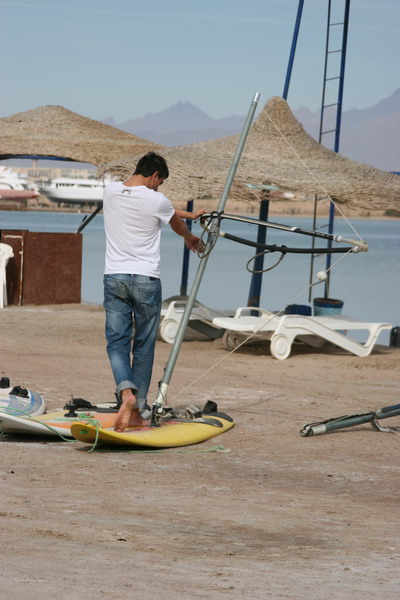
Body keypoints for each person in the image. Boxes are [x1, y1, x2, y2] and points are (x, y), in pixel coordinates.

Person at [102, 152, 205, 432]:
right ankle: (138, 409)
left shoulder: (110, 192)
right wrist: (190, 237)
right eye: (160, 183)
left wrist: (188, 213)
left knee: (117, 343)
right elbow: (173, 221)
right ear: (155, 176)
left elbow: (164, 209)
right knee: (144, 345)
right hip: (146, 280)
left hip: (115, 277)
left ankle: (126, 394)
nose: (159, 188)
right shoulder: (157, 200)